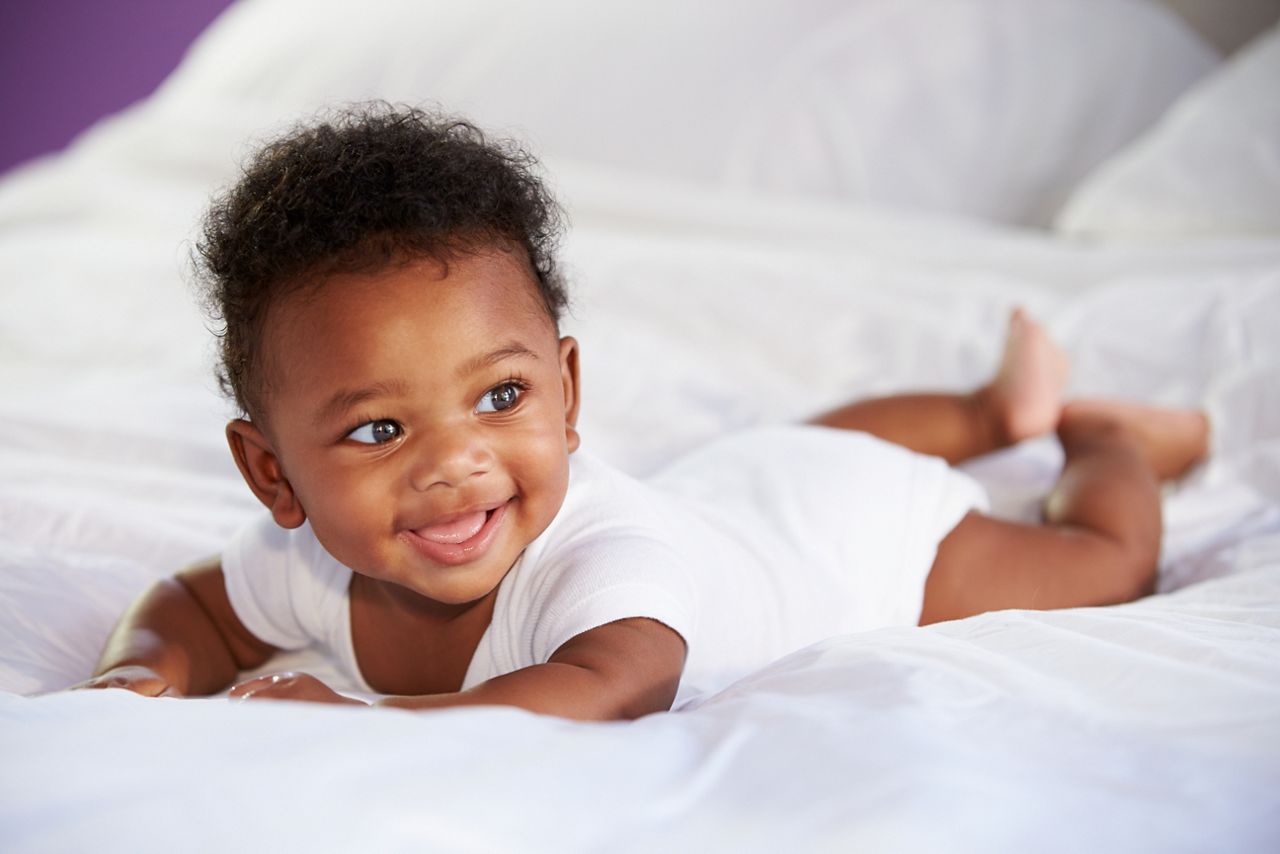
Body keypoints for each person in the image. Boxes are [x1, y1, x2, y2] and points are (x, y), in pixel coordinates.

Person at [73, 105, 1209, 719]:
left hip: (853, 546)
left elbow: (603, 684)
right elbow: (190, 607)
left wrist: (358, 719)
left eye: (501, 396)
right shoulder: (306, 564)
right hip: (748, 481)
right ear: (272, 476)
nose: (456, 463)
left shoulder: (610, 564)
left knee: (1098, 562)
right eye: (378, 429)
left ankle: (1098, 436)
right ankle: (982, 407)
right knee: (805, 445)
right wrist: (145, 668)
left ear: (568, 393)